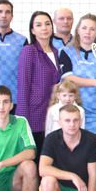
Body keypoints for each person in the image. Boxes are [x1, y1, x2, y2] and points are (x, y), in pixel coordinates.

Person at [59, 14, 96, 138]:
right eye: (84, 28)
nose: (87, 32)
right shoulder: (66, 51)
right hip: (73, 111)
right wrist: (95, 83)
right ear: (78, 30)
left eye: (92, 29)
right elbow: (68, 78)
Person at [16, 11, 62, 153]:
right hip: (34, 114)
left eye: (47, 24)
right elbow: (23, 86)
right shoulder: (29, 51)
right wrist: (22, 119)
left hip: (53, 114)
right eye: (39, 25)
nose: (44, 28)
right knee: (35, 156)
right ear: (32, 30)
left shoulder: (56, 52)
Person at [0, 0, 27, 110]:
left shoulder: (22, 40)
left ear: (12, 16)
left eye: (7, 12)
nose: (3, 15)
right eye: (0, 11)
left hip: (14, 98)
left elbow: (27, 71)